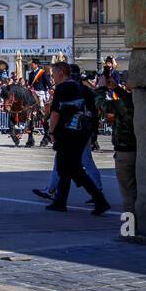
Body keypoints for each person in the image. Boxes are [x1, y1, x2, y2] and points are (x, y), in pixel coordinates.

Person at [44, 61, 109, 214]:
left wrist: (52, 133)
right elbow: (93, 110)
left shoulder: (62, 88)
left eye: (53, 74)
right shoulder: (83, 88)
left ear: (61, 73)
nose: (52, 77)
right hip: (82, 133)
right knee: (67, 167)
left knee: (71, 168)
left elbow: (55, 113)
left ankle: (100, 200)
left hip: (67, 133)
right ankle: (60, 201)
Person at [95, 68, 136, 216]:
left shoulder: (124, 103)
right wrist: (116, 88)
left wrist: (101, 87)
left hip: (126, 151)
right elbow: (127, 99)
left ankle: (131, 228)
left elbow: (100, 104)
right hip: (143, 150)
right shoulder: (142, 99)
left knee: (128, 193)